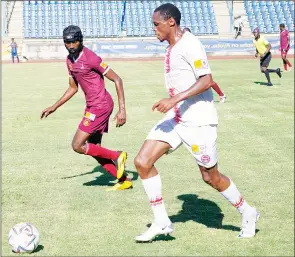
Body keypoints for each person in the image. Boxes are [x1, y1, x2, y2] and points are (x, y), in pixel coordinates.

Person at [134, 3, 259, 242]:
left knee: (210, 176)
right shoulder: (172, 46)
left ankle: (248, 212)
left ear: (171, 22)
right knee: (142, 161)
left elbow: (206, 79)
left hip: (199, 121)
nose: (154, 29)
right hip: (177, 118)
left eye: (156, 24)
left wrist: (174, 99)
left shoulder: (190, 44)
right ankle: (161, 222)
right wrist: (174, 104)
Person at [40, 25, 132, 191]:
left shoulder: (91, 58)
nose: (71, 45)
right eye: (67, 42)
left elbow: (117, 79)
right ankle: (124, 180)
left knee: (77, 145)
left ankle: (117, 156)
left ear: (80, 40)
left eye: (74, 42)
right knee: (94, 148)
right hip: (92, 106)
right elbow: (73, 88)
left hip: (101, 105)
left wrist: (122, 110)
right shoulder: (69, 60)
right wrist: (54, 107)